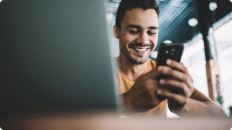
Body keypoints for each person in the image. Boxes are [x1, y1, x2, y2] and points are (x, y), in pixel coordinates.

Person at [113, 0, 226, 117]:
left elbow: (220, 116)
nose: (144, 40)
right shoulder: (100, 72)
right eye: (133, 31)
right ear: (116, 32)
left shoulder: (163, 72)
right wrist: (129, 102)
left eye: (151, 32)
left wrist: (184, 105)